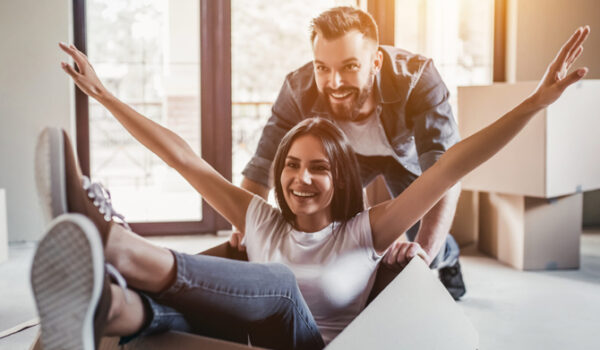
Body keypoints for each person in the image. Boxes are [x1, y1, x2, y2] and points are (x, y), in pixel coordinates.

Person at [32, 22, 589, 350]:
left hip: (310, 344)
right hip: (251, 337)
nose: (301, 178)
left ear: (341, 176)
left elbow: (452, 165)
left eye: (319, 168)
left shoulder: (367, 231)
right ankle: (105, 307)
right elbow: (184, 158)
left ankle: (113, 241)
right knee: (157, 314)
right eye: (293, 165)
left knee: (275, 284)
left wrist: (536, 102)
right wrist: (104, 97)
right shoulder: (261, 217)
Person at [235, 6, 466, 299]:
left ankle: (450, 257)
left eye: (350, 66)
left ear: (376, 62)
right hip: (348, 159)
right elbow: (263, 165)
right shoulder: (298, 89)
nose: (335, 82)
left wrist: (424, 256)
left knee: (424, 233)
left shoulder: (419, 78)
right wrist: (245, 228)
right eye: (323, 68)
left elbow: (445, 171)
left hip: (404, 156)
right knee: (336, 220)